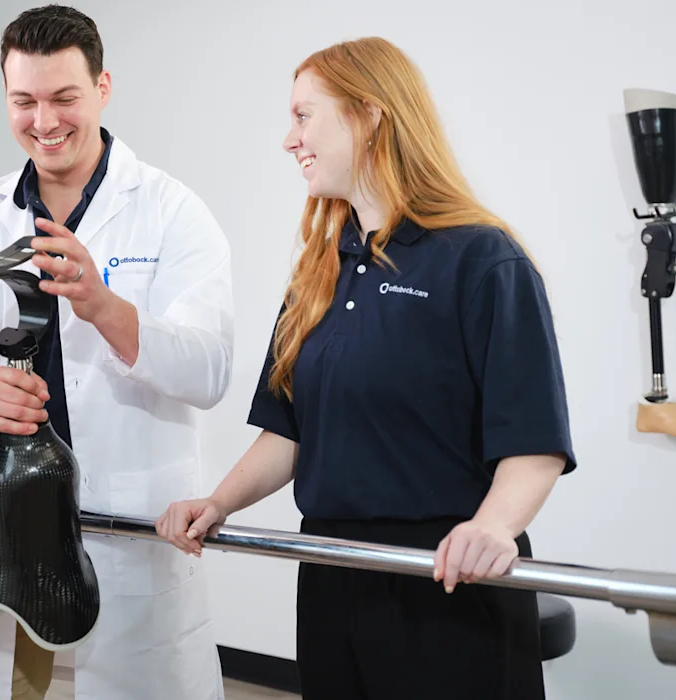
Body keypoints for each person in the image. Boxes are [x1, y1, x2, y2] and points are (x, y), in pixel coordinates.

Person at [155, 36, 576, 700]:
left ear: (371, 115)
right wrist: (218, 502)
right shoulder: (320, 271)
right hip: (331, 571)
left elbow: (535, 440)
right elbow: (289, 431)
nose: (288, 139)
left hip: (446, 575)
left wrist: (494, 527)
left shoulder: (481, 260)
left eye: (303, 116)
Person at [0, 5, 233, 699]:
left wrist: (104, 307)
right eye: (24, 101)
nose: (44, 121)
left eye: (64, 98)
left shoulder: (172, 212)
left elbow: (210, 368)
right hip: (13, 525)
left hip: (128, 527)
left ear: (103, 88)